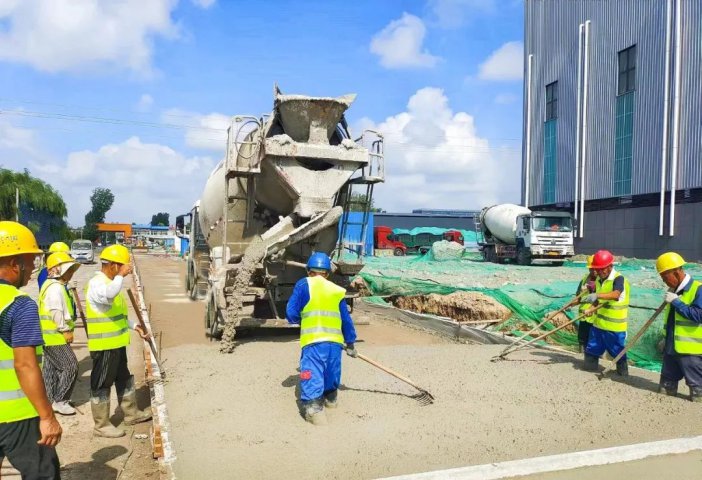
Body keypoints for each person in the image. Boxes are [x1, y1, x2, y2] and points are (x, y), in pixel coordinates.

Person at [0, 221, 62, 479]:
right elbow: (24, 365)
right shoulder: (19, 304)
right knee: (43, 473)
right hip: (17, 414)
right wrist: (47, 416)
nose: (33, 268)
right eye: (30, 261)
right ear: (15, 264)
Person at [85, 244, 151, 438]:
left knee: (124, 377)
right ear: (113, 265)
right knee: (102, 383)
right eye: (122, 267)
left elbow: (116, 316)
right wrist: (121, 275)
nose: (125, 271)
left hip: (117, 344)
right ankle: (101, 424)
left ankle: (131, 414)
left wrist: (134, 326)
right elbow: (109, 294)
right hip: (104, 346)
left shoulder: (110, 282)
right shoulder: (98, 283)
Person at [285, 252, 357, 425]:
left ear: (309, 270)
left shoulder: (303, 285)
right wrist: (351, 343)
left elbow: (291, 313)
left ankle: (314, 411)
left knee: (312, 373)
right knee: (331, 372)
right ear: (327, 273)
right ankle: (331, 400)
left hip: (313, 342)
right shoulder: (336, 290)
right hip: (334, 343)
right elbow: (346, 320)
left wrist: (298, 318)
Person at [655, 252, 702, 402]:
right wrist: (665, 338)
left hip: (691, 351)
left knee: (697, 394)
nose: (664, 281)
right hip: (671, 348)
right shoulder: (673, 291)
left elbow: (698, 316)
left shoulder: (697, 289)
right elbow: (671, 320)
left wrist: (677, 302)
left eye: (665, 277)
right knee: (665, 389)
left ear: (676, 272)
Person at [38, 252, 80, 415]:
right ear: (58, 270)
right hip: (55, 336)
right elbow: (56, 311)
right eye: (68, 270)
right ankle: (60, 400)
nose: (71, 273)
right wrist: (65, 329)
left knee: (49, 370)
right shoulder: (55, 288)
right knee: (70, 366)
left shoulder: (52, 285)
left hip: (48, 336)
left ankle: (49, 400)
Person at [581, 249, 630, 376]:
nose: (599, 272)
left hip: (614, 327)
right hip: (598, 325)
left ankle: (622, 374)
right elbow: (598, 301)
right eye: (597, 269)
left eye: (601, 269)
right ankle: (588, 370)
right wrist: (591, 308)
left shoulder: (619, 279)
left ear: (610, 266)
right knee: (592, 348)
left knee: (617, 351)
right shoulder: (599, 280)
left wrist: (597, 295)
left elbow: (615, 294)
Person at [575, 255, 597, 352]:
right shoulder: (584, 279)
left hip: (596, 318)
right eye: (591, 269)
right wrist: (571, 304)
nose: (593, 271)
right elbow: (578, 297)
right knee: (582, 339)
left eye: (595, 269)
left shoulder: (603, 281)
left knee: (595, 342)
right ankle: (582, 357)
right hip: (584, 317)